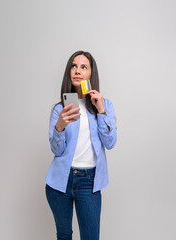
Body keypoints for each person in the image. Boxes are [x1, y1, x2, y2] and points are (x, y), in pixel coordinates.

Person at [45, 50, 117, 240]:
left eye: (83, 67)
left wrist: (101, 111)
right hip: (60, 182)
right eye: (74, 66)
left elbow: (110, 143)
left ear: (91, 74)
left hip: (89, 181)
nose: (77, 71)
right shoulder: (60, 109)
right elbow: (57, 150)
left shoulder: (105, 105)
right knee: (64, 235)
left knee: (91, 237)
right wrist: (59, 127)